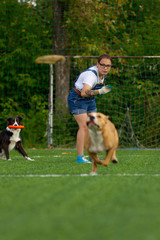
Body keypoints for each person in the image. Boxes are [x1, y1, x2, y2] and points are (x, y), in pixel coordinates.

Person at [67, 54, 112, 163]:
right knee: (84, 127)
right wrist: (99, 92)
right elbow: (83, 92)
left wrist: (99, 92)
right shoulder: (91, 76)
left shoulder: (103, 74)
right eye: (103, 65)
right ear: (97, 64)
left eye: (108, 66)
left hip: (90, 100)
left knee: (93, 127)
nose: (105, 68)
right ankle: (80, 158)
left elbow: (94, 91)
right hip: (77, 99)